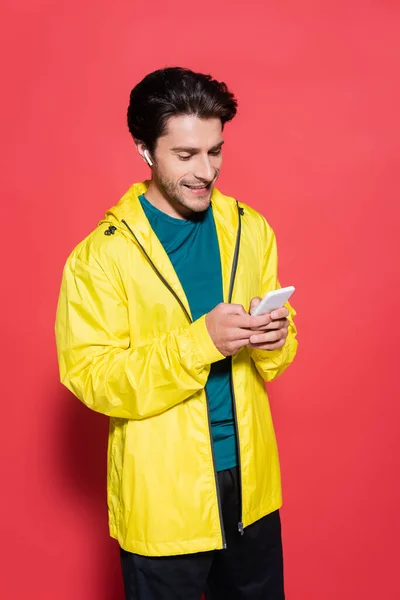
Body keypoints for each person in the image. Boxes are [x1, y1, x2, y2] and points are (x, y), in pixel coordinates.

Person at [55, 66, 298, 599]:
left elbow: (279, 352)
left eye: (215, 151)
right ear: (145, 150)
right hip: (163, 503)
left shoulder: (250, 229)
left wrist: (276, 338)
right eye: (185, 155)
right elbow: (91, 377)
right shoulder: (101, 257)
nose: (206, 171)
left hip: (252, 491)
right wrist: (199, 342)